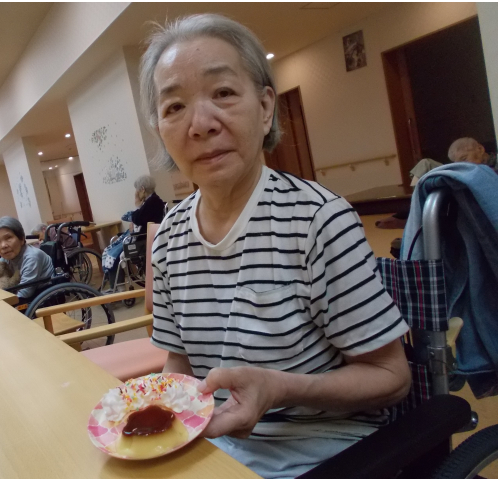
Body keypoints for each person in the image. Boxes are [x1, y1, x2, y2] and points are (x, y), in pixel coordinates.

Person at [140, 14, 411, 478]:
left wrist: (279, 389)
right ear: (160, 130)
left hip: (325, 451)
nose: (200, 124)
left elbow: (391, 377)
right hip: (217, 448)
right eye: (175, 107)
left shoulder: (318, 220)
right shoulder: (168, 236)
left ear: (266, 108)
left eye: (223, 93)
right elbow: (179, 362)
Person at [102, 175, 165, 288]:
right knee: (110, 250)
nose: (136, 193)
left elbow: (137, 218)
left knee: (113, 254)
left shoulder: (153, 202)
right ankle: (116, 286)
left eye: (137, 190)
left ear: (142, 189)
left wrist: (137, 204)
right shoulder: (151, 201)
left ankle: (118, 288)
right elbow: (138, 217)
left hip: (143, 239)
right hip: (141, 237)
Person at [0, 216, 54, 300]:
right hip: (19, 293)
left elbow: (25, 293)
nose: (3, 245)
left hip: (40, 297)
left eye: (8, 238)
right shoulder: (7, 256)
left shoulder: (32, 257)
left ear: (21, 238)